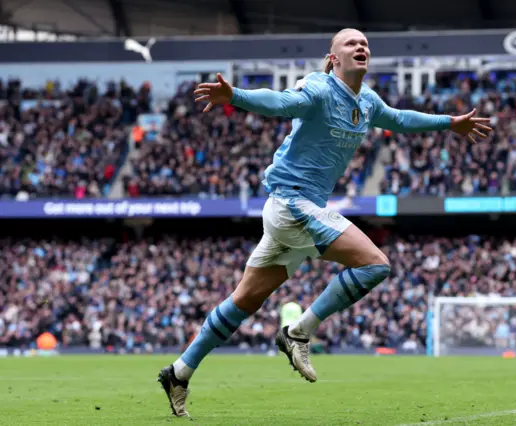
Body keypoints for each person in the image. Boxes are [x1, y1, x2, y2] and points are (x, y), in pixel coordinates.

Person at [157, 28, 493, 417]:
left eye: (365, 44)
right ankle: (298, 332)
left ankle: (178, 372)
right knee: (375, 264)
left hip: (295, 211)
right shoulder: (318, 88)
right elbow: (281, 102)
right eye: (351, 43)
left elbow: (400, 118)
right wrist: (235, 96)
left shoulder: (366, 101)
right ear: (333, 58)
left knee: (244, 301)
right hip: (291, 203)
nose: (361, 47)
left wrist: (450, 122)